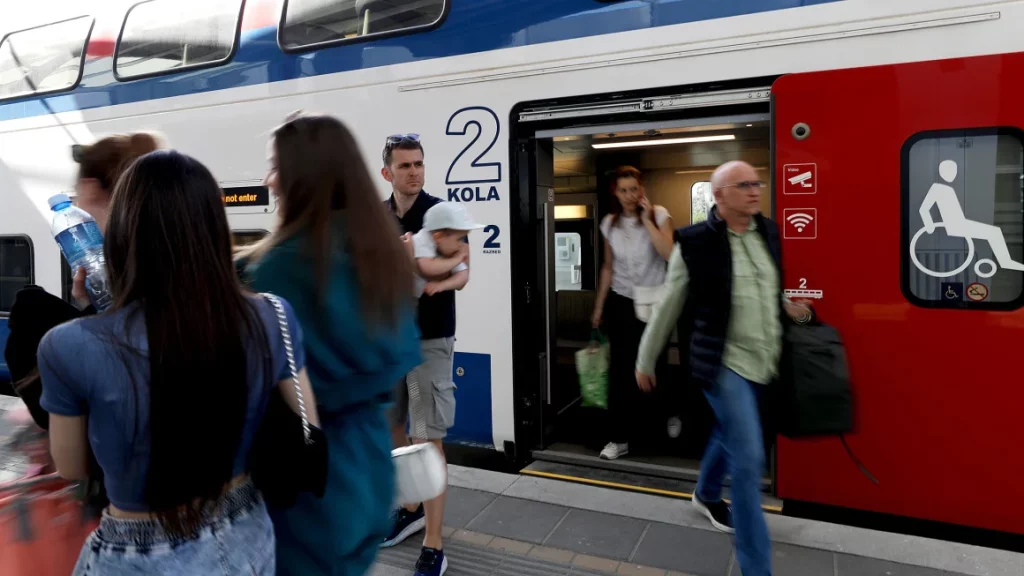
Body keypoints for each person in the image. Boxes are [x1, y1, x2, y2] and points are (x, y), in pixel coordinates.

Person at [37, 150, 319, 575]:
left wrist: (97, 311)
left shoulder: (67, 345)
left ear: (121, 232)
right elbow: (308, 422)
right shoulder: (272, 314)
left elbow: (72, 466)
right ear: (213, 227)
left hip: (139, 554)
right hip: (247, 528)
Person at [239, 113, 421, 576]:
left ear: (302, 176)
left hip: (309, 475)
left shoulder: (279, 267)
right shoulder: (383, 253)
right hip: (369, 466)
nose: (268, 180)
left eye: (275, 167)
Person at [635, 160, 813, 576]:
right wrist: (646, 358)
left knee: (730, 431)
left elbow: (766, 287)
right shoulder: (694, 242)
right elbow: (669, 304)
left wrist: (790, 307)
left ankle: (706, 492)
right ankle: (756, 568)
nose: (754, 191)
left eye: (756, 183)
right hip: (723, 363)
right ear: (718, 195)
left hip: (766, 360)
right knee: (748, 462)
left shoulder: (769, 232)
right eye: (743, 185)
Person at [3, 132, 163, 509]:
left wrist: (88, 311)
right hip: (235, 519)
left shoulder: (68, 340)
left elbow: (73, 465)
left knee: (31, 304)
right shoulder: (248, 310)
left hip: (128, 513)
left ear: (91, 189)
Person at [380, 134, 464, 576]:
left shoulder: (441, 214)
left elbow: (461, 264)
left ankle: (435, 545)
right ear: (387, 173)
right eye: (404, 165)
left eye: (418, 164)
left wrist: (420, 266)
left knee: (427, 440)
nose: (414, 172)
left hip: (429, 340)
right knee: (395, 430)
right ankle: (411, 507)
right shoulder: (376, 217)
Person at [590, 166, 674, 460]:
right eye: (623, 190)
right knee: (621, 371)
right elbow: (608, 267)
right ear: (615, 193)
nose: (629, 195)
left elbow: (669, 254)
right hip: (622, 300)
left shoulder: (660, 215)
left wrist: (648, 220)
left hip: (655, 302)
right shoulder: (609, 224)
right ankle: (619, 438)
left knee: (653, 367)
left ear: (642, 190)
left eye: (634, 189)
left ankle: (659, 426)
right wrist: (599, 307)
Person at [412, 203, 480, 297]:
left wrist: (442, 285)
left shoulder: (450, 249)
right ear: (438, 237)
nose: (462, 244)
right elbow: (428, 267)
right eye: (459, 239)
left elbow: (463, 277)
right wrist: (456, 260)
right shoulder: (422, 239)